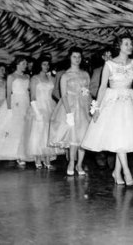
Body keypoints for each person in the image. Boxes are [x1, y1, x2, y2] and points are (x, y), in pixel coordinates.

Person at [82, 34, 133, 185]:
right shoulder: (109, 64)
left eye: (131, 43)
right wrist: (96, 108)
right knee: (120, 137)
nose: (130, 46)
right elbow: (103, 87)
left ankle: (116, 172)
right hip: (113, 102)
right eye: (126, 44)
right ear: (119, 46)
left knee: (123, 139)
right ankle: (126, 171)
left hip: (130, 102)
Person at [49, 48, 91, 176]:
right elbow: (64, 96)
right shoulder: (65, 76)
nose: (77, 59)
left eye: (79, 56)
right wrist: (68, 113)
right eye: (74, 56)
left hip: (83, 107)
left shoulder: (85, 74)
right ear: (70, 58)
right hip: (71, 107)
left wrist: (91, 106)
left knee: (84, 137)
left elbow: (86, 92)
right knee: (73, 138)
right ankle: (72, 162)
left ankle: (79, 165)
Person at [21, 56, 60, 169]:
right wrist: (37, 112)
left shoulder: (51, 78)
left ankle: (47, 159)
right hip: (38, 106)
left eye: (48, 64)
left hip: (50, 106)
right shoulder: (34, 79)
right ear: (39, 65)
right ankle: (38, 159)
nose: (46, 67)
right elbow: (32, 96)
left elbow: (55, 93)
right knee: (38, 133)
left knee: (48, 133)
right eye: (44, 64)